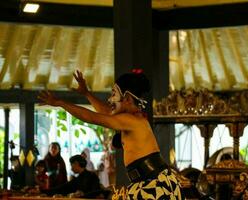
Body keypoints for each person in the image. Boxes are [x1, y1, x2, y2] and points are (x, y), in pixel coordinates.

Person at [38, 70, 184, 199]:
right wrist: (86, 93)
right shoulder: (130, 118)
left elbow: (92, 117)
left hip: (156, 185)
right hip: (156, 182)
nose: (110, 99)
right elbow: (105, 111)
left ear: (127, 98)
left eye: (114, 94)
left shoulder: (131, 120)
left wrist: (60, 103)